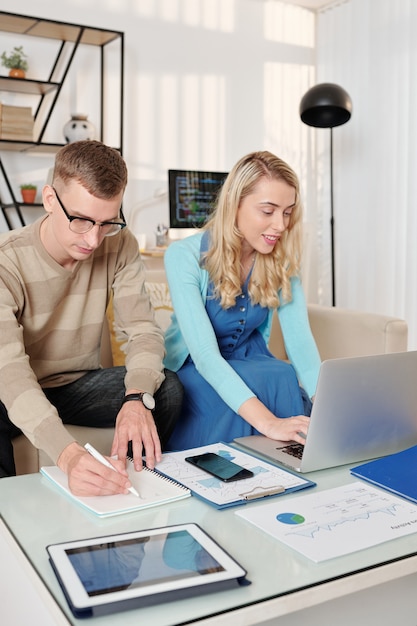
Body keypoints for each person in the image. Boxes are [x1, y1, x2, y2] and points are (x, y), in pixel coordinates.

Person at [0, 140, 183, 495]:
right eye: (82, 220)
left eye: (106, 223)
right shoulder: (7, 261)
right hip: (14, 388)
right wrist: (67, 457)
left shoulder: (120, 243)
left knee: (168, 390)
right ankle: (8, 517)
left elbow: (143, 331)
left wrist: (135, 398)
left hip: (74, 386)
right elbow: (9, 371)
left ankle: (128, 488)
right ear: (50, 199)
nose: (94, 239)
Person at [163, 150, 321, 451]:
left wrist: (328, 409)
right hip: (194, 366)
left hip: (252, 358)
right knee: (235, 389)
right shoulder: (183, 256)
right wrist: (268, 423)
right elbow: (206, 357)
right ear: (235, 205)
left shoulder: (282, 260)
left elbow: (300, 343)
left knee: (281, 373)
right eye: (268, 211)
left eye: (287, 212)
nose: (280, 225)